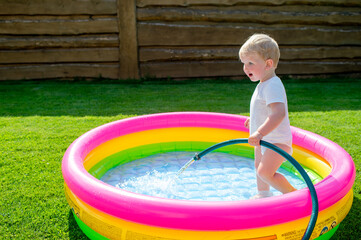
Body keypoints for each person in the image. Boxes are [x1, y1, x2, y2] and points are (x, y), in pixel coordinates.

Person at [239, 33, 296, 199]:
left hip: (276, 141)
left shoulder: (272, 85)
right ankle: (263, 195)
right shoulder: (263, 84)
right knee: (259, 168)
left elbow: (278, 113)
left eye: (250, 63)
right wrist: (255, 120)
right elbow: (266, 109)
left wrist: (260, 132)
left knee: (265, 172)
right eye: (244, 63)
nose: (246, 67)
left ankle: (294, 195)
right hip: (265, 140)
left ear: (268, 64)